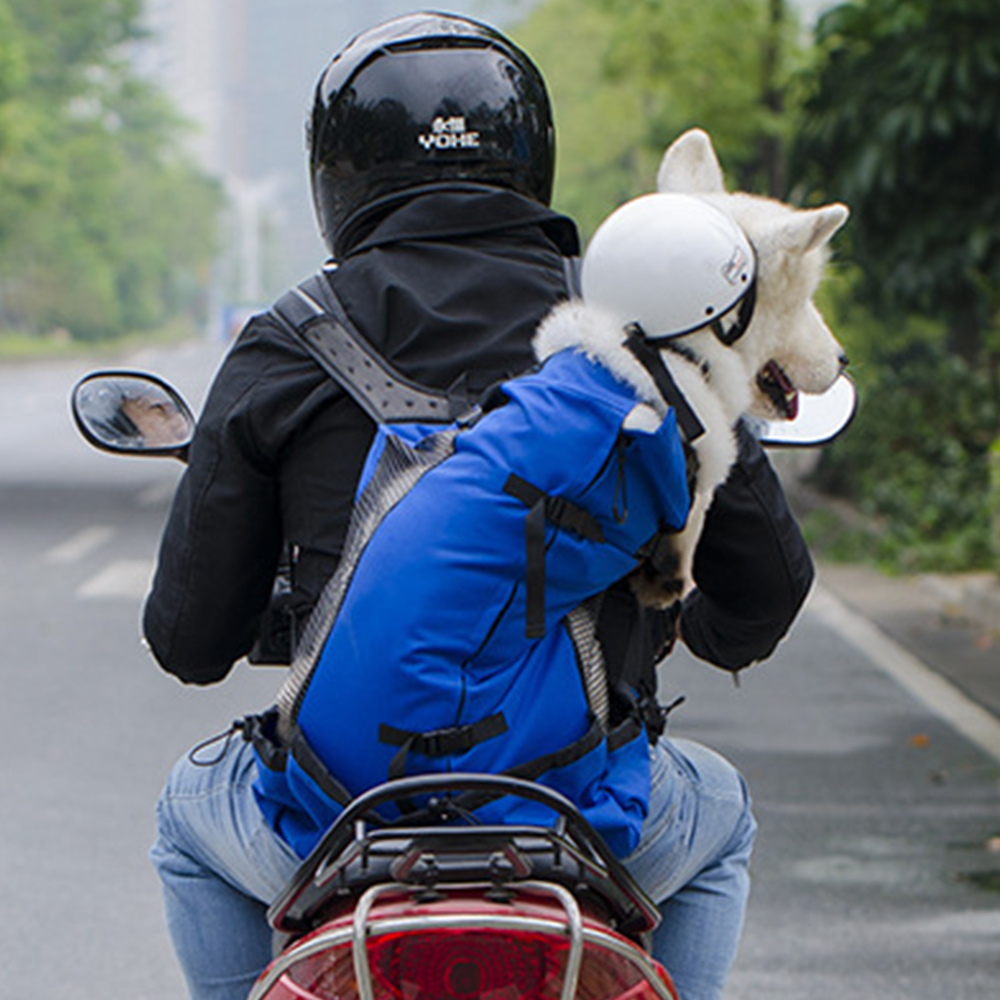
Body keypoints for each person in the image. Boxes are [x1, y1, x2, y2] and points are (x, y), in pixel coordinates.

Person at [143, 13, 813, 1000]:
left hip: (336, 821)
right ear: (532, 156)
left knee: (186, 811)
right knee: (719, 813)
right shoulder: (646, 329)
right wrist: (689, 625)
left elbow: (190, 641)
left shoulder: (287, 341)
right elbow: (768, 590)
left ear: (338, 174)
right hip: (588, 822)